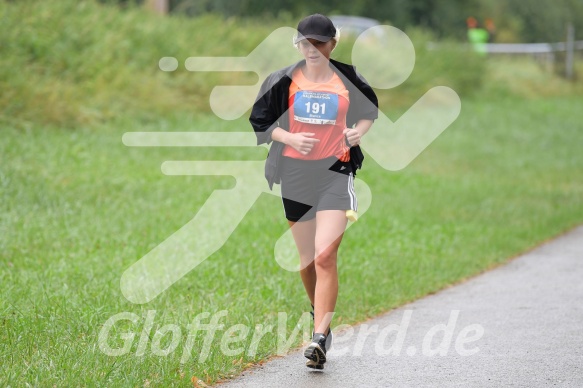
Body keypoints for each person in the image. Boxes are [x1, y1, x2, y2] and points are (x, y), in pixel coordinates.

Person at [249, 13, 378, 370]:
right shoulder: (283, 80)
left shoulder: (348, 78)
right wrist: (289, 136)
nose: (313, 49)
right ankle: (321, 316)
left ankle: (319, 335)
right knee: (306, 259)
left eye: (320, 43)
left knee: (325, 255)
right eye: (307, 43)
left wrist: (358, 132)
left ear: (333, 43)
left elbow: (370, 111)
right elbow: (260, 123)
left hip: (335, 172)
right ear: (299, 45)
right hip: (295, 175)